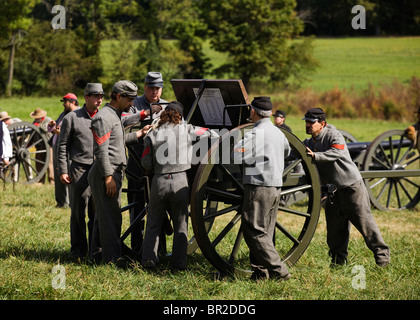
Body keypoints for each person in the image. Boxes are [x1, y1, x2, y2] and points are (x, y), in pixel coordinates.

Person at [302, 107, 390, 267]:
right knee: (335, 230)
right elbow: (296, 152)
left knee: (365, 224)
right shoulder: (309, 142)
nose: (308, 125)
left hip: (351, 188)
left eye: (311, 122)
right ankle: (338, 262)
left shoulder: (334, 135)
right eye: (306, 122)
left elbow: (337, 153)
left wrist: (316, 156)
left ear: (322, 123)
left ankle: (383, 258)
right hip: (334, 192)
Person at [141, 101, 219, 270]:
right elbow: (212, 134)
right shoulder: (188, 130)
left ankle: (148, 262)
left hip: (159, 181)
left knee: (153, 224)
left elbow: (145, 162)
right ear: (180, 115)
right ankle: (178, 265)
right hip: (180, 181)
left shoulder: (153, 133)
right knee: (181, 225)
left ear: (164, 114)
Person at [88, 80, 159, 264]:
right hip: (108, 171)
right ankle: (111, 259)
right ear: (118, 96)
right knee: (111, 217)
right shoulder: (103, 118)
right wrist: (108, 177)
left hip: (112, 170)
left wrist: (139, 134)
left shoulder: (114, 115)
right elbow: (101, 150)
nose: (132, 104)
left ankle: (96, 254)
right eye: (129, 100)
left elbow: (117, 141)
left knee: (103, 216)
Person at [232, 96, 291, 281]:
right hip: (275, 186)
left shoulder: (256, 134)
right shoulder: (278, 133)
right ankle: (261, 273)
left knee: (253, 230)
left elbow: (236, 153)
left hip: (258, 186)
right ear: (270, 113)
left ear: (253, 111)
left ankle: (280, 271)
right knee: (266, 230)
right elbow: (287, 151)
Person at [57, 84, 103, 260]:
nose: (99, 100)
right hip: (79, 170)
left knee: (96, 213)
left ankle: (95, 250)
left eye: (101, 96)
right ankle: (77, 251)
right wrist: (63, 170)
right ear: (86, 97)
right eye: (95, 96)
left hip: (98, 170)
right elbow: (62, 146)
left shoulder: (103, 116)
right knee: (78, 213)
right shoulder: (72, 117)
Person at [125, 71, 167, 254]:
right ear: (145, 87)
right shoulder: (135, 105)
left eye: (157, 89)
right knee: (136, 209)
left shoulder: (166, 106)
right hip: (136, 164)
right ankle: (136, 247)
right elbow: (124, 123)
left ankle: (161, 249)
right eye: (151, 88)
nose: (154, 92)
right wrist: (146, 114)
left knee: (160, 211)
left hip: (160, 165)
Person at [48, 93, 79, 208]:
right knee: (58, 174)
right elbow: (56, 127)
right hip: (58, 146)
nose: (64, 105)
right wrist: (52, 126)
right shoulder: (64, 114)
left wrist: (61, 133)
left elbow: (74, 134)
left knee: (67, 174)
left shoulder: (77, 115)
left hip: (69, 149)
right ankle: (60, 201)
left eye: (65, 102)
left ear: (72, 102)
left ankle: (68, 202)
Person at [30, 108, 54, 184]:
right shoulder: (35, 121)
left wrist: (38, 125)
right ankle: (40, 180)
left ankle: (52, 180)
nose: (36, 118)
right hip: (39, 145)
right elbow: (32, 133)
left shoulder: (48, 120)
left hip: (48, 144)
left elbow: (47, 128)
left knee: (50, 163)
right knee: (39, 164)